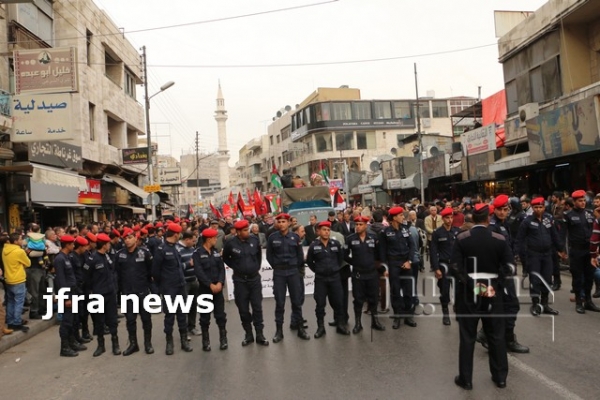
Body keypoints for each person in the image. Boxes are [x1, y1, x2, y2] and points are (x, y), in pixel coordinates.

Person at [451, 203, 511, 390]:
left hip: (469, 294)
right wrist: (495, 286)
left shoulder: (462, 238)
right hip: (493, 293)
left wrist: (474, 287)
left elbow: (455, 267)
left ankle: (466, 379)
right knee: (496, 336)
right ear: (488, 218)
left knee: (467, 337)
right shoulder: (499, 239)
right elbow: (509, 267)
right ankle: (500, 378)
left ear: (472, 218)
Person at [478, 194, 529, 354]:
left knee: (506, 306)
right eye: (499, 210)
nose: (502, 212)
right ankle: (504, 339)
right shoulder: (492, 227)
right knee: (508, 306)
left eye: (505, 209)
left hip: (505, 273)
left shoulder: (504, 224)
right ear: (494, 211)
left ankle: (490, 335)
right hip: (497, 275)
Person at [222, 220, 269, 347]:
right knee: (243, 309)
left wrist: (255, 267)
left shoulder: (254, 240)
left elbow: (258, 256)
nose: (247, 232)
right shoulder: (230, 243)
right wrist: (237, 267)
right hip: (240, 281)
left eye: (247, 229)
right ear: (238, 232)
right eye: (244, 230)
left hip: (254, 280)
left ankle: (259, 334)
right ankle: (248, 334)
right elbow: (226, 258)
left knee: (257, 308)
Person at [515, 197, 564, 316]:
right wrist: (515, 253)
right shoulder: (527, 221)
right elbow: (520, 238)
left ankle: (545, 304)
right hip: (533, 255)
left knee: (547, 279)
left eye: (540, 207)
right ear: (532, 208)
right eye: (536, 207)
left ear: (544, 207)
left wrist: (561, 249)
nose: (538, 209)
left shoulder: (548, 219)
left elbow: (554, 235)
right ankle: (535, 304)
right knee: (535, 280)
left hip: (547, 254)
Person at [266, 213, 310, 342]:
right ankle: (279, 331)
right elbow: (269, 256)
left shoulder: (295, 237)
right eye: (279, 222)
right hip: (279, 273)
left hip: (293, 272)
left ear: (288, 223)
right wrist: (277, 266)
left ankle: (300, 329)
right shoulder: (272, 238)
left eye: (283, 222)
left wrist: (294, 267)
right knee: (280, 303)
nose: (281, 224)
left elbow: (299, 256)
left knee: (296, 302)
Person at [152, 223, 193, 355]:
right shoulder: (161, 249)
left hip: (180, 285)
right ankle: (169, 342)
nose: (179, 236)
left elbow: (178, 266)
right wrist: (163, 286)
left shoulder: (175, 247)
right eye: (179, 234)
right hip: (169, 288)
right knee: (169, 315)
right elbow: (155, 271)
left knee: (182, 314)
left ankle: (184, 340)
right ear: (175, 234)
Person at [306, 221, 349, 337]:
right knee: (320, 304)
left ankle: (340, 325)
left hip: (335, 278)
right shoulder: (313, 246)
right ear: (319, 232)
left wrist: (334, 268)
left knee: (339, 302)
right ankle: (321, 327)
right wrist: (319, 270)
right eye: (324, 230)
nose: (326, 232)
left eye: (328, 230)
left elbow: (340, 259)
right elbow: (310, 262)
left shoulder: (335, 244)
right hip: (321, 279)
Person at [116, 229, 155, 356]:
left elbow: (151, 271)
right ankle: (133, 344)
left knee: (146, 319)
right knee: (130, 320)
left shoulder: (145, 253)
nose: (127, 240)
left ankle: (148, 343)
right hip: (127, 293)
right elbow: (117, 273)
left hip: (142, 291)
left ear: (136, 238)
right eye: (125, 238)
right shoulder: (120, 254)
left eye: (130, 237)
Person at [344, 216, 385, 333]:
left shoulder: (373, 237)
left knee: (373, 298)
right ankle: (358, 323)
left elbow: (379, 253)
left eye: (360, 224)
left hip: (372, 273)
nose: (358, 227)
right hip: (358, 274)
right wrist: (354, 262)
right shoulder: (350, 238)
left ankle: (375, 321)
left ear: (366, 225)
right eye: (356, 224)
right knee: (358, 299)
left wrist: (380, 266)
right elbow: (344, 254)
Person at [379, 207, 416, 329]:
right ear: (394, 218)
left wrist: (409, 261)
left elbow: (412, 246)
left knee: (408, 291)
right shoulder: (385, 232)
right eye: (400, 215)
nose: (403, 217)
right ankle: (397, 316)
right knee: (395, 291)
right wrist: (385, 268)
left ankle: (408, 316)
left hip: (406, 263)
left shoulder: (405, 229)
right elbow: (382, 252)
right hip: (393, 263)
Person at [84, 233, 121, 356]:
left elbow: (113, 270)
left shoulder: (107, 256)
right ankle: (101, 345)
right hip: (98, 294)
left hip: (110, 293)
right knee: (99, 321)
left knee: (112, 320)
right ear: (104, 245)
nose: (109, 245)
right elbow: (86, 277)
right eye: (108, 243)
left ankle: (115, 344)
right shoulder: (92, 259)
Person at [193, 226, 227, 351]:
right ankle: (205, 341)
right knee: (204, 317)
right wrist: (210, 284)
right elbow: (199, 271)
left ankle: (223, 339)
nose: (216, 240)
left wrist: (220, 282)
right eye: (214, 238)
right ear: (208, 239)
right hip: (205, 289)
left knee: (220, 315)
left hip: (218, 288)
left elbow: (221, 269)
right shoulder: (197, 253)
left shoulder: (216, 252)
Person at [566, 190, 600, 313]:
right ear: (574, 202)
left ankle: (588, 301)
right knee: (577, 277)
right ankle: (579, 301)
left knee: (589, 277)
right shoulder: (568, 215)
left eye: (584, 200)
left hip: (589, 250)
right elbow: (563, 233)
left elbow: (596, 230)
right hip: (576, 250)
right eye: (580, 201)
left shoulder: (590, 214)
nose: (583, 203)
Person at [53, 235, 86, 357]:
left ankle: (72, 342)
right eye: (72, 244)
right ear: (67, 245)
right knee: (67, 321)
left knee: (72, 320)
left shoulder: (66, 257)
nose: (73, 246)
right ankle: (64, 347)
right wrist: (66, 297)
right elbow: (61, 280)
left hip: (73, 291)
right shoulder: (59, 259)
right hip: (67, 294)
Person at [430, 207, 459, 325]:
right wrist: (436, 268)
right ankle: (445, 313)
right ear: (443, 219)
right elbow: (433, 251)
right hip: (444, 265)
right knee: (445, 291)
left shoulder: (457, 231)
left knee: (458, 290)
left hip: (456, 265)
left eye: (451, 217)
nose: (450, 220)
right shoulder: (437, 233)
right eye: (447, 218)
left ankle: (458, 310)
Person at [2, 233, 31, 332]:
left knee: (10, 301)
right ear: (15, 241)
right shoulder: (19, 251)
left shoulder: (5, 250)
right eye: (20, 239)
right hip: (18, 279)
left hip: (8, 278)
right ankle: (17, 322)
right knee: (19, 302)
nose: (22, 240)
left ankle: (10, 321)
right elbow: (28, 263)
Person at [176, 231, 200, 337]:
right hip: (184, 283)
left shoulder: (192, 249)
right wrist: (188, 264)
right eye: (193, 241)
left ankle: (192, 327)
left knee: (193, 305)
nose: (194, 243)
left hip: (193, 280)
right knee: (183, 307)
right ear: (187, 240)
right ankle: (184, 331)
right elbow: (176, 267)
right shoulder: (177, 249)